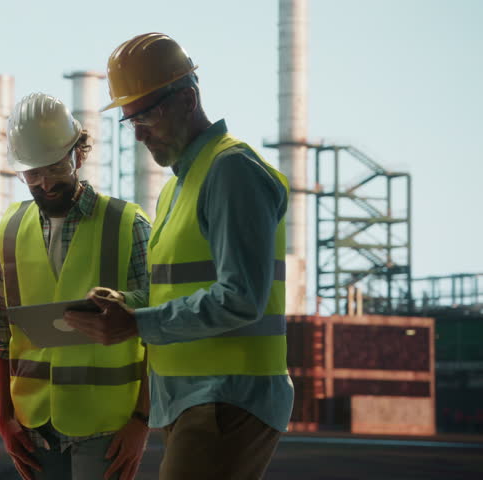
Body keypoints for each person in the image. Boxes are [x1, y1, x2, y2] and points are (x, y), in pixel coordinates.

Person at [65, 33, 294, 480]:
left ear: (188, 100)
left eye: (146, 115)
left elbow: (241, 297)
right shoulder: (177, 187)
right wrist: (127, 303)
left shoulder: (231, 171)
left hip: (227, 397)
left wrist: (138, 324)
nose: (138, 132)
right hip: (189, 400)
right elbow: (177, 289)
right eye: (130, 120)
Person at [0, 93, 152, 480]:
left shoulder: (128, 224)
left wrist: (143, 419)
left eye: (55, 167)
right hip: (33, 426)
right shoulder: (8, 230)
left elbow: (157, 329)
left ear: (78, 154)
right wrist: (3, 418)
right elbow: (2, 333)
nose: (45, 183)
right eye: (32, 173)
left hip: (107, 424)